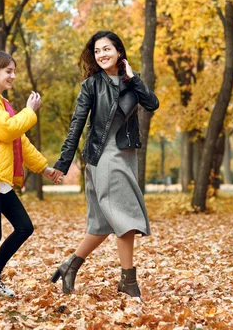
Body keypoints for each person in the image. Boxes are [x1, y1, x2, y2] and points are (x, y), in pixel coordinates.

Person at [50, 30, 159, 300]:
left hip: (126, 155)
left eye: (107, 49)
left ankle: (70, 265)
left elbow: (152, 104)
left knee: (100, 224)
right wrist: (63, 163)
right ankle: (129, 282)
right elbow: (77, 125)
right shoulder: (91, 85)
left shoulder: (132, 82)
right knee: (126, 218)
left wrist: (133, 79)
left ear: (119, 51)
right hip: (104, 156)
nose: (102, 54)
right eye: (97, 51)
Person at [0, 51, 60, 306]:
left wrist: (44, 168)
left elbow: (19, 140)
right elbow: (7, 130)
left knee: (24, 227)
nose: (13, 76)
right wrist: (29, 111)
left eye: (14, 71)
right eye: (9, 71)